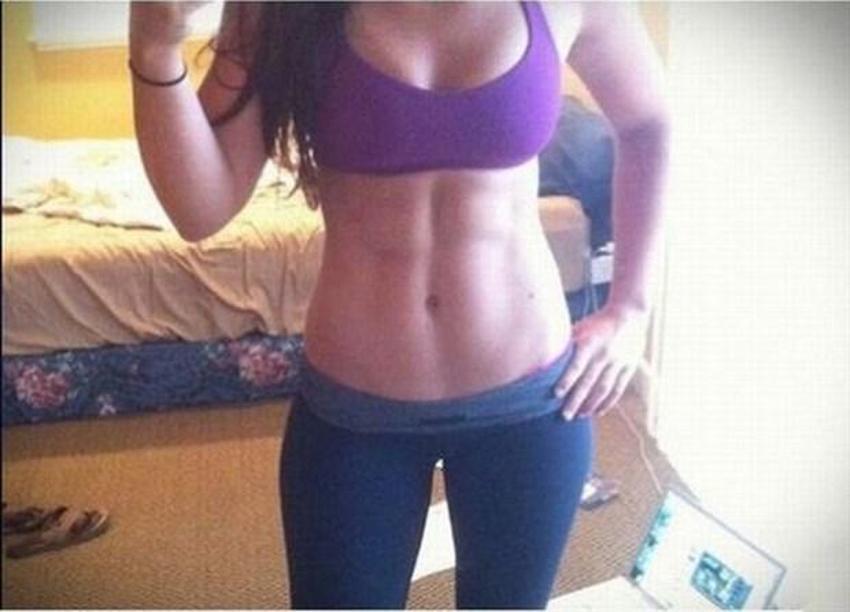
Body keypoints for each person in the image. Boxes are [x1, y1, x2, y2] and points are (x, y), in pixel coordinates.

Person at [129, 1, 669, 608]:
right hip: (355, 415)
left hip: (529, 403)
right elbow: (199, 209)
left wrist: (632, 308)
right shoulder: (274, 8)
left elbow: (648, 122)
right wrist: (154, 48)